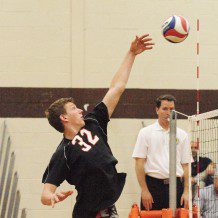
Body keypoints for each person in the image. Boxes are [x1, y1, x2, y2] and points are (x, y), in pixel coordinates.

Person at [40, 34, 154, 218]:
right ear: (64, 118)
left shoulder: (94, 123)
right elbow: (45, 194)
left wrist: (131, 53)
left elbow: (116, 88)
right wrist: (52, 196)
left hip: (107, 207)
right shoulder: (64, 153)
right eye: (73, 109)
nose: (79, 110)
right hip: (89, 213)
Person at [132, 94, 192, 211]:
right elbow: (139, 163)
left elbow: (186, 165)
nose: (168, 113)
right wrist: (144, 190)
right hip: (153, 187)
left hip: (176, 187)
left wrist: (186, 192)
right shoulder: (145, 133)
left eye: (171, 109)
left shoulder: (182, 135)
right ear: (157, 110)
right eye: (165, 109)